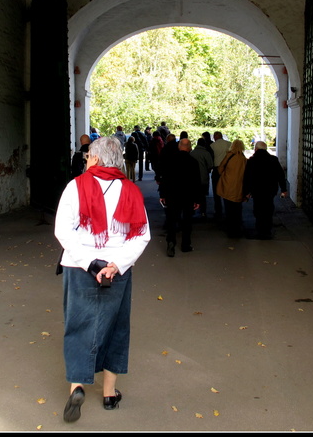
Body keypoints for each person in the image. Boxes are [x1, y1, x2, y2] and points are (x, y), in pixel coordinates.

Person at [54, 136, 151, 422]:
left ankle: (77, 387)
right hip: (116, 270)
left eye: (87, 157)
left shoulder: (76, 186)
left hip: (79, 267)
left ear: (95, 158)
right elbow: (142, 235)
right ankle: (109, 394)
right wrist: (115, 264)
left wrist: (89, 262)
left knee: (78, 325)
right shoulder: (131, 190)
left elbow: (63, 231)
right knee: (116, 327)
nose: (86, 161)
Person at [158, 138, 202, 256]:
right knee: (187, 221)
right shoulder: (193, 162)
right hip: (188, 196)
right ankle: (185, 244)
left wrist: (162, 194)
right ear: (189, 147)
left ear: (179, 146)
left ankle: (171, 242)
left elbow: (164, 178)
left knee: (172, 219)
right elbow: (197, 181)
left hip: (172, 195)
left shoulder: (170, 160)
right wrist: (197, 199)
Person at [243, 141, 288, 239]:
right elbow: (280, 175)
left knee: (258, 209)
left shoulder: (251, 161)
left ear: (256, 149)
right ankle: (267, 230)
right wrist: (284, 189)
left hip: (257, 190)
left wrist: (246, 191)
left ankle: (260, 230)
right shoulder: (273, 160)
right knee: (268, 209)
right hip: (270, 190)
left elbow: (247, 177)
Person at [216, 139, 248, 238]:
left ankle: (230, 230)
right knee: (237, 209)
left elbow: (220, 168)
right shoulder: (244, 159)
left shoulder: (229, 156)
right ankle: (237, 229)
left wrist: (225, 175)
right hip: (239, 187)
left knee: (229, 209)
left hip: (227, 185)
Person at [190, 137, 215, 219]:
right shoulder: (206, 153)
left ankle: (191, 211)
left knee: (192, 195)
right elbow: (210, 165)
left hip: (192, 179)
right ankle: (203, 212)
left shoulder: (192, 153)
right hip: (203, 178)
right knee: (202, 196)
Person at [210, 132, 232, 219]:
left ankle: (218, 211)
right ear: (221, 136)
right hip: (227, 169)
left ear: (215, 137)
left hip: (216, 169)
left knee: (216, 191)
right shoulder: (229, 144)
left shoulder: (212, 146)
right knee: (227, 190)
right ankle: (228, 210)